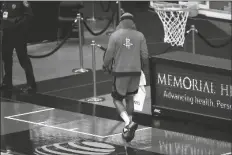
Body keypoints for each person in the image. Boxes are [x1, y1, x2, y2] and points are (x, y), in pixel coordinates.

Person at [103, 13, 149, 142]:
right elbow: (145, 56)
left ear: (121, 22)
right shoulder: (140, 35)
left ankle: (128, 122)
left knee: (116, 99)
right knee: (130, 98)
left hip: (120, 73)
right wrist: (145, 69)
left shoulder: (115, 35)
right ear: (133, 23)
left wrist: (105, 65)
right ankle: (129, 125)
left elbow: (109, 55)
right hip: (135, 72)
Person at [0, 1, 37, 93]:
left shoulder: (22, 1)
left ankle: (31, 83)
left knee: (23, 58)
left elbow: (29, 16)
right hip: (7, 32)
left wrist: (17, 24)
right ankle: (7, 82)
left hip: (18, 33)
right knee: (6, 57)